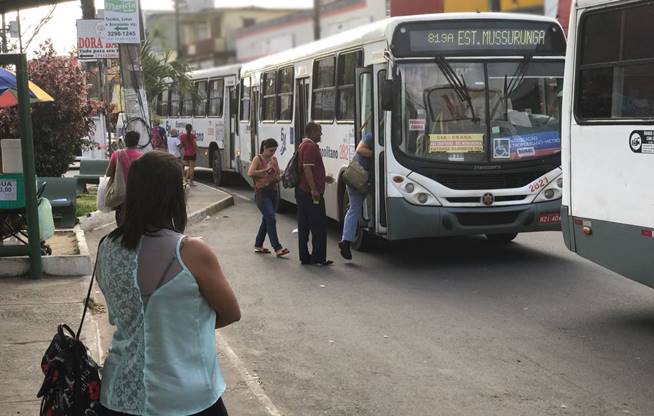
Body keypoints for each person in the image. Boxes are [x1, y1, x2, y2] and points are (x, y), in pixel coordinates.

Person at [96, 151, 241, 416]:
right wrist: (181, 327)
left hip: (118, 397)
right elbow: (231, 313)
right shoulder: (190, 252)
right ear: (175, 196)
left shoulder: (107, 247)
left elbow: (120, 314)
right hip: (186, 398)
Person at [296, 121, 334, 266]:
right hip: (310, 193)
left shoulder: (303, 145)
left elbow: (309, 169)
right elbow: (307, 169)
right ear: (312, 132)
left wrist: (323, 178)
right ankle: (318, 258)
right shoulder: (310, 147)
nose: (321, 134)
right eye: (320, 131)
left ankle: (305, 257)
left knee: (304, 225)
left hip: (302, 191)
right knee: (318, 226)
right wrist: (314, 189)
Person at [248, 138, 290, 257]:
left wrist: (279, 177)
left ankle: (258, 244)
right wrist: (265, 170)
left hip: (273, 191)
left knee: (267, 219)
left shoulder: (274, 159)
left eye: (274, 151)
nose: (272, 153)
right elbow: (250, 173)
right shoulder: (258, 158)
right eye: (271, 150)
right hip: (262, 192)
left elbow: (276, 175)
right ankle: (277, 247)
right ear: (265, 148)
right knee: (271, 218)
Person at [338, 130, 374, 260]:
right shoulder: (371, 135)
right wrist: (378, 154)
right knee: (356, 208)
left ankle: (346, 241)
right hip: (359, 179)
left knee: (354, 209)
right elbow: (360, 149)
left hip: (361, 179)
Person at [105, 131, 143, 226]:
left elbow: (108, 173)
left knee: (121, 218)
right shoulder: (143, 156)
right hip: (137, 191)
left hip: (120, 191)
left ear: (125, 141)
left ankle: (122, 235)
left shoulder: (117, 154)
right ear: (137, 142)